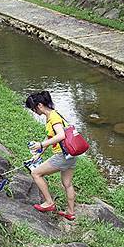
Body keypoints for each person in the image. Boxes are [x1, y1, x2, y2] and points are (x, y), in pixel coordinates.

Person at [25, 91, 76, 221]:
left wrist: (41, 144)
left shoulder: (53, 118)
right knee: (67, 184)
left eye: (33, 108)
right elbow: (51, 137)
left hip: (62, 155)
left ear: (40, 105)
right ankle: (70, 213)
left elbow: (61, 136)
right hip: (70, 155)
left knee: (36, 173)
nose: (33, 111)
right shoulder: (52, 116)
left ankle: (49, 203)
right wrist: (39, 154)